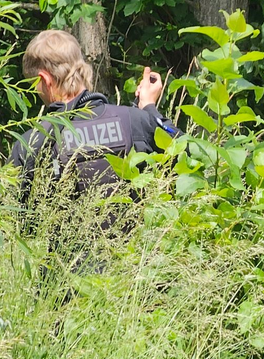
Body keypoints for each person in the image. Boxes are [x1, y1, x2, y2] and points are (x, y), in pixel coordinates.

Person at [9, 29, 180, 269]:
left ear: (45, 80)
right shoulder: (134, 120)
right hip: (136, 275)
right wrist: (149, 109)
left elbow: (15, 221)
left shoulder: (33, 141)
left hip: (66, 282)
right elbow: (189, 157)